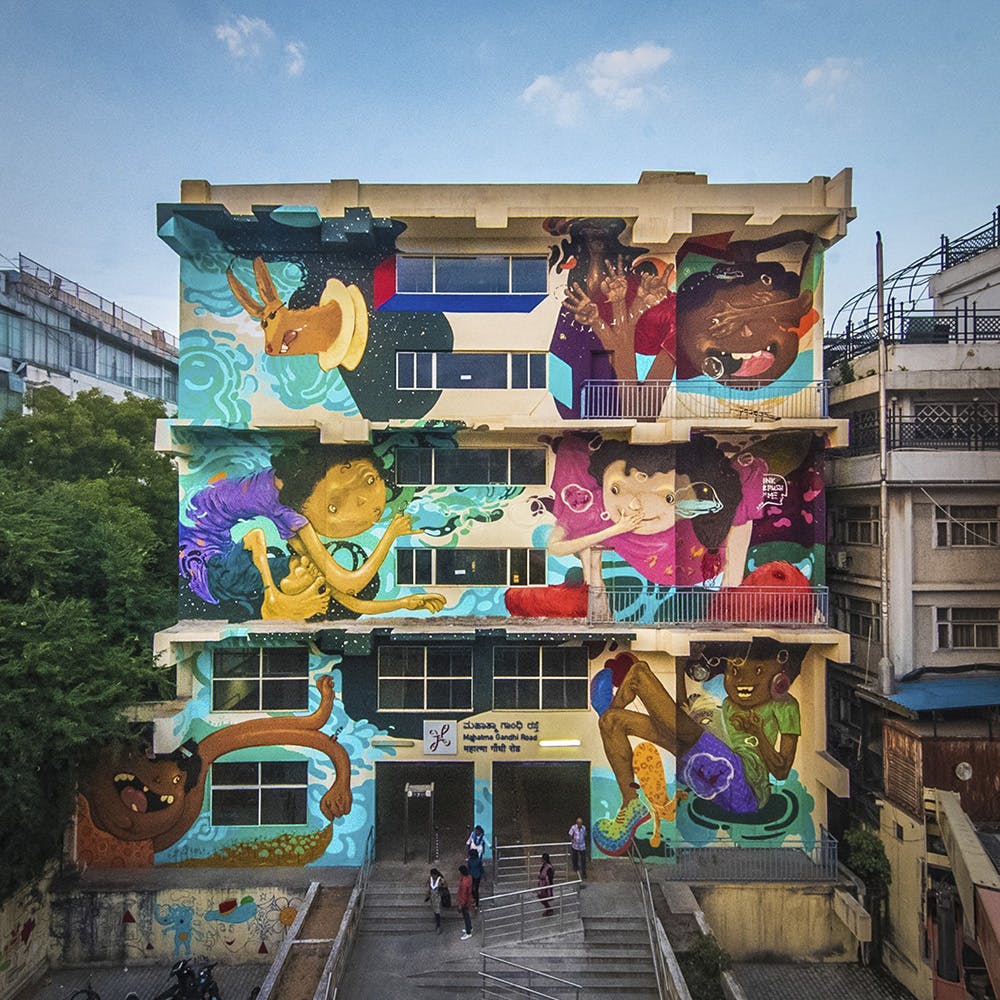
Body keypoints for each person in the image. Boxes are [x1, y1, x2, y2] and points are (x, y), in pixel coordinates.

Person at [179, 440, 447, 620]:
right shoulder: (288, 507)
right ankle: (277, 603)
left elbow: (351, 599)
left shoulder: (289, 510)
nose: (305, 572)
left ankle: (277, 602)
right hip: (202, 549)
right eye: (363, 476)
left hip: (204, 563)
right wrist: (390, 535)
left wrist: (406, 603)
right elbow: (348, 585)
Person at [465, 824, 486, 905]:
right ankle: (474, 899)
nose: (477, 832)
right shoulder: (470, 861)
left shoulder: (478, 861)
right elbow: (469, 868)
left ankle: (476, 902)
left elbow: (480, 868)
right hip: (472, 875)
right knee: (472, 888)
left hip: (477, 876)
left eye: (478, 831)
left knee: (475, 889)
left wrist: (482, 874)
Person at [425, 867, 447, 934]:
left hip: (438, 897)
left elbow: (446, 886)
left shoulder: (440, 879)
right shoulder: (430, 878)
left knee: (437, 910)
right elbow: (427, 885)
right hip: (432, 897)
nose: (433, 876)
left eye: (434, 875)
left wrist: (442, 885)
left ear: (436, 874)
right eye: (432, 875)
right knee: (435, 909)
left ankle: (438, 925)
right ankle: (437, 920)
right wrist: (427, 894)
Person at [456, 864, 474, 939]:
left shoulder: (464, 882)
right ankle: (469, 927)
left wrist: (461, 904)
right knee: (467, 916)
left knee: (466, 916)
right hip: (468, 899)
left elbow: (463, 894)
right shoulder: (469, 877)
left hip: (465, 901)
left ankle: (468, 932)